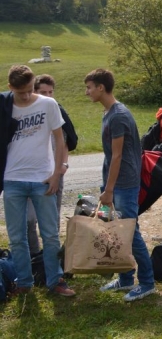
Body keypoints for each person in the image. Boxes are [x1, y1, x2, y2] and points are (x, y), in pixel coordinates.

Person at [1, 65, 74, 297]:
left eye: (30, 90)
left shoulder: (48, 104)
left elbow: (60, 139)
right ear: (10, 87)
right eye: (20, 92)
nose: (26, 95)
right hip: (12, 179)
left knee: (50, 234)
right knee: (17, 237)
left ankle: (56, 280)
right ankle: (24, 283)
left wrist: (57, 173)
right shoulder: (4, 106)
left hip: (43, 178)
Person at [85, 68, 156, 302]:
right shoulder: (109, 112)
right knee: (117, 232)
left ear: (101, 87)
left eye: (89, 87)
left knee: (130, 233)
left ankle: (147, 282)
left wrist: (108, 190)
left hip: (123, 184)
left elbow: (117, 156)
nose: (87, 92)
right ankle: (125, 278)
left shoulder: (118, 116)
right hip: (114, 182)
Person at [26, 74, 75, 254]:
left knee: (52, 219)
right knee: (29, 220)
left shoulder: (57, 110)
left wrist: (63, 165)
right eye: (43, 92)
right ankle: (34, 256)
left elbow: (66, 140)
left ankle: (51, 257)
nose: (47, 96)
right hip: (32, 174)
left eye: (50, 92)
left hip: (54, 173)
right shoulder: (28, 112)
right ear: (34, 92)